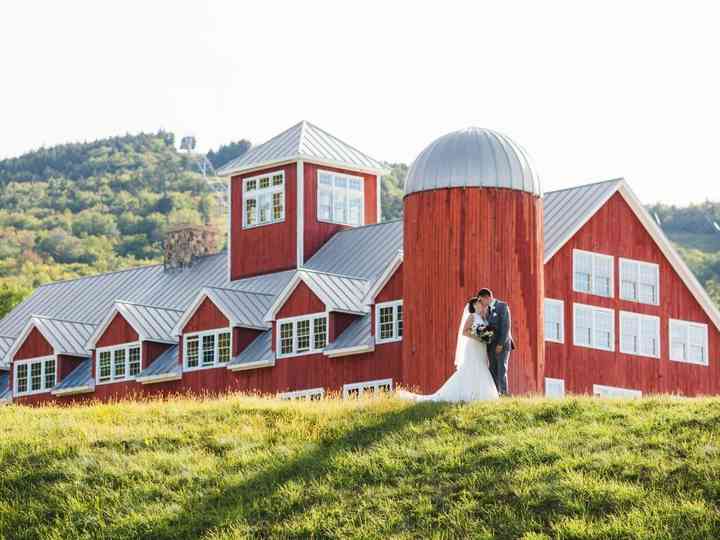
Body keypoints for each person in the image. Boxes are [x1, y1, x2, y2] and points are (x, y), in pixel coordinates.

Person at [397, 297, 499, 403]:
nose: (481, 305)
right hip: (473, 346)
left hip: (481, 348)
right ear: (473, 305)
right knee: (472, 367)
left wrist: (486, 338)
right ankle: (468, 394)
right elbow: (464, 332)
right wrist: (478, 337)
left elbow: (487, 333)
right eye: (478, 303)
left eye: (481, 303)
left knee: (481, 366)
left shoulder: (484, 319)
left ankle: (481, 394)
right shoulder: (472, 316)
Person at [476, 288, 515, 396]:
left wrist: (500, 344)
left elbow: (506, 326)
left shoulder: (502, 306)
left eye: (481, 300)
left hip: (502, 344)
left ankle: (503, 393)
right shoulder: (485, 310)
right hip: (491, 346)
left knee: (501, 368)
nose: (480, 302)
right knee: (492, 369)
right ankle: (494, 394)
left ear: (487, 297)